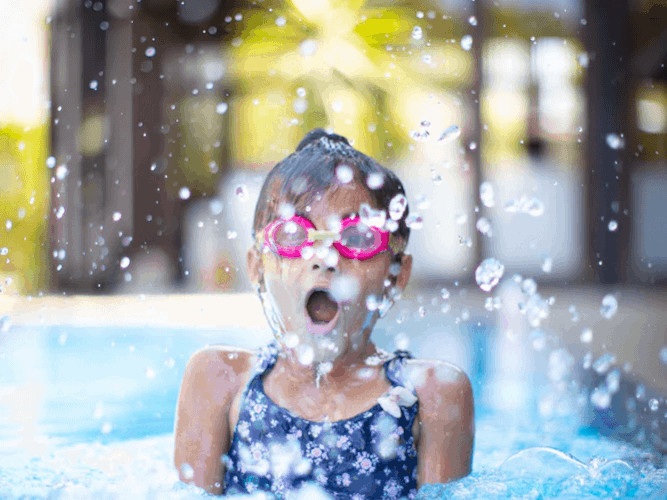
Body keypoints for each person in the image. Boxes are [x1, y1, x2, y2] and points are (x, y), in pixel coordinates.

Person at [174, 129, 474, 499]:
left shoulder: (430, 393)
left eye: (358, 238)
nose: (324, 258)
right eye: (292, 236)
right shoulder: (220, 379)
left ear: (396, 276)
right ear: (256, 267)